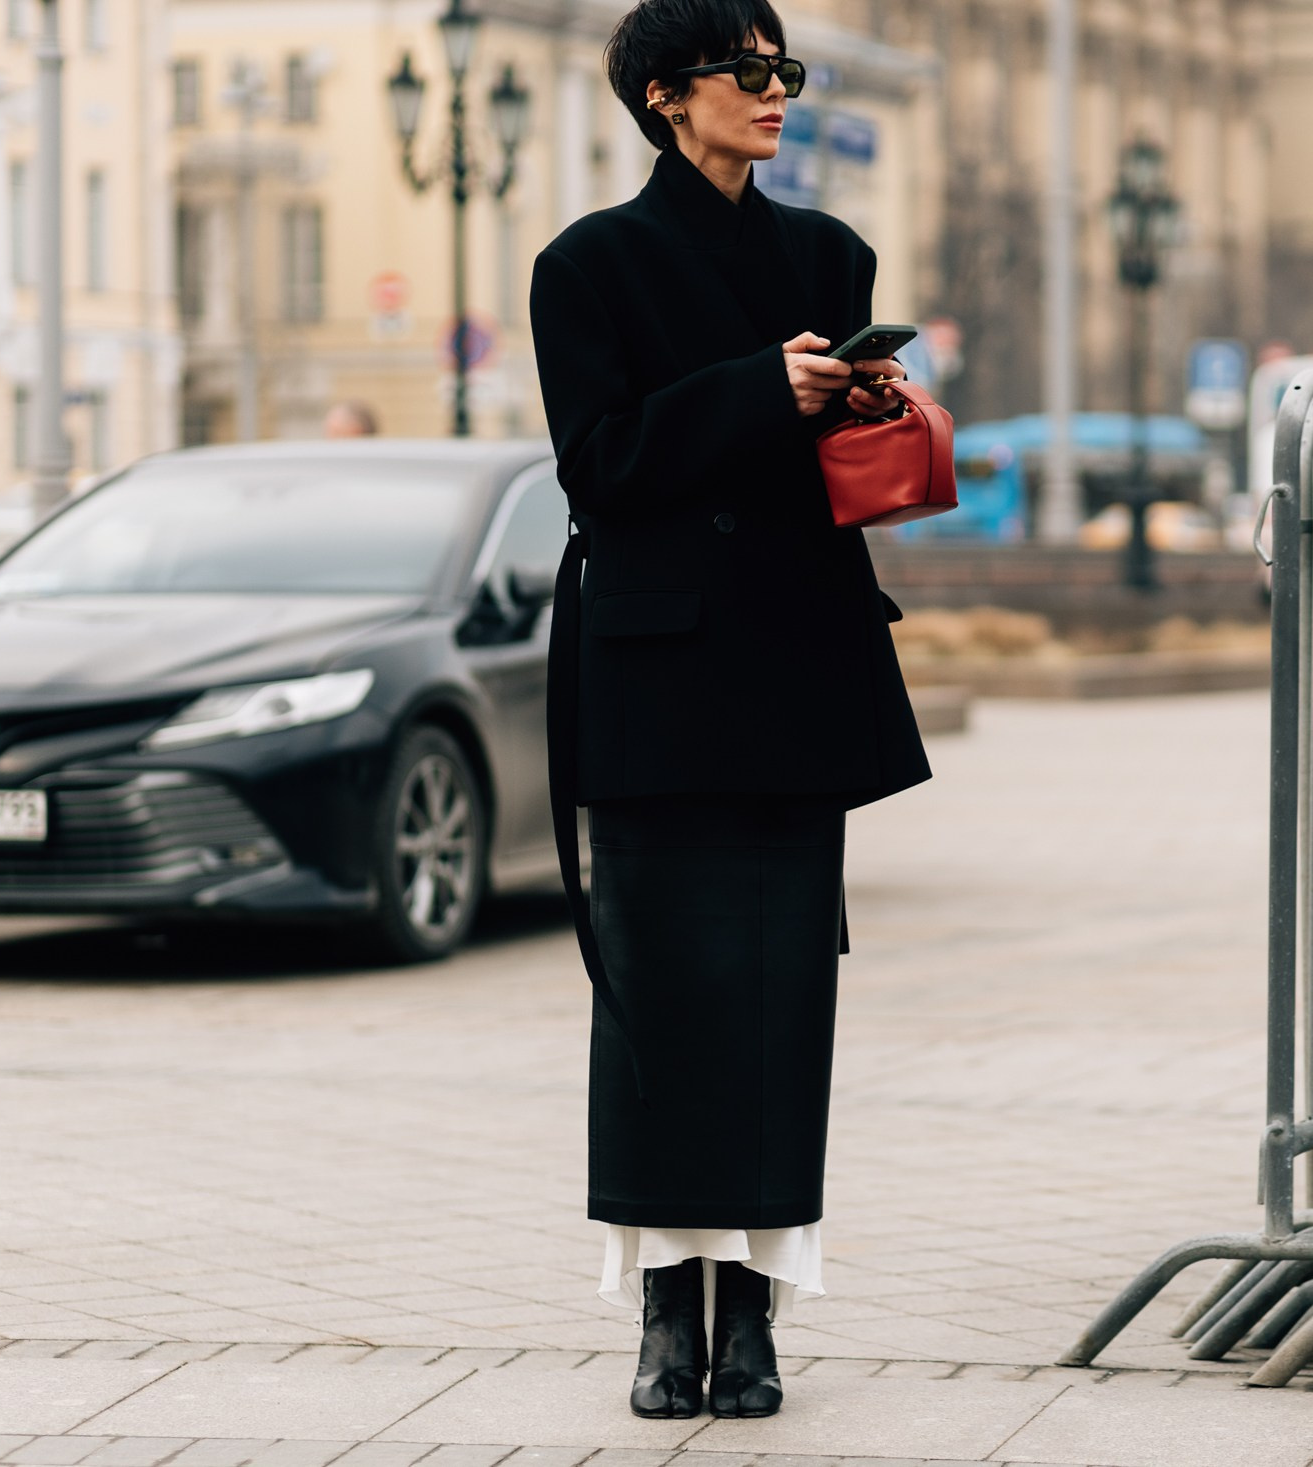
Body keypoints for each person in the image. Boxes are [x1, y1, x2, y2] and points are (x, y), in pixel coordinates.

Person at [528, 0, 930, 1425]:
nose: (774, 93)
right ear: (661, 97)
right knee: (653, 1001)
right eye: (745, 73)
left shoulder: (826, 255)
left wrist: (866, 405)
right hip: (650, 670)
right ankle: (658, 1314)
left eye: (784, 71)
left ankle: (752, 1320)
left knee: (775, 996)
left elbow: (835, 480)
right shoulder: (586, 266)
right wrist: (760, 388)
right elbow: (602, 468)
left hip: (791, 664)